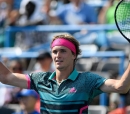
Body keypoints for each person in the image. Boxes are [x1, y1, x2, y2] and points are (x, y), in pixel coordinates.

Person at [0, 33, 130, 113]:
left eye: (63, 51)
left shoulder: (87, 80)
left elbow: (121, 86)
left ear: (74, 55)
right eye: (55, 51)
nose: (58, 55)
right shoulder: (40, 79)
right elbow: (6, 77)